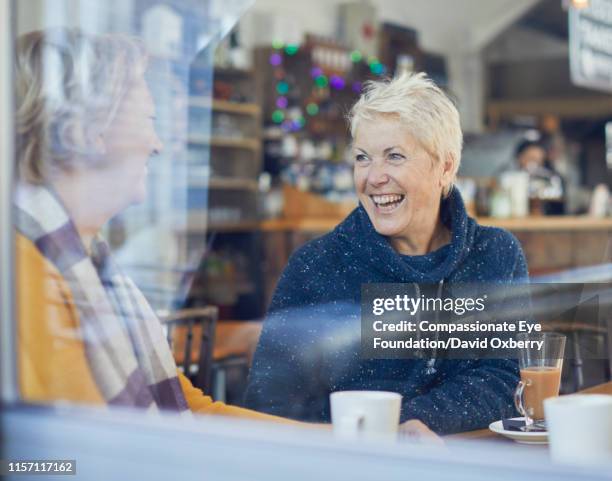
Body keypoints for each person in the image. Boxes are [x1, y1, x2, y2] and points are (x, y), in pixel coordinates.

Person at [14, 28, 292, 421]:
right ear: (84, 132)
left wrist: (348, 442)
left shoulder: (91, 264)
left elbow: (190, 410)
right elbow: (77, 458)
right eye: (149, 119)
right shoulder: (26, 270)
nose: (158, 143)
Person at [245, 72, 529, 434]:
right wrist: (383, 434)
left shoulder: (494, 255)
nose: (374, 177)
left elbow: (507, 380)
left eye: (394, 156)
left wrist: (417, 420)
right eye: (363, 158)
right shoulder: (316, 266)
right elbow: (271, 404)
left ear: (445, 166)